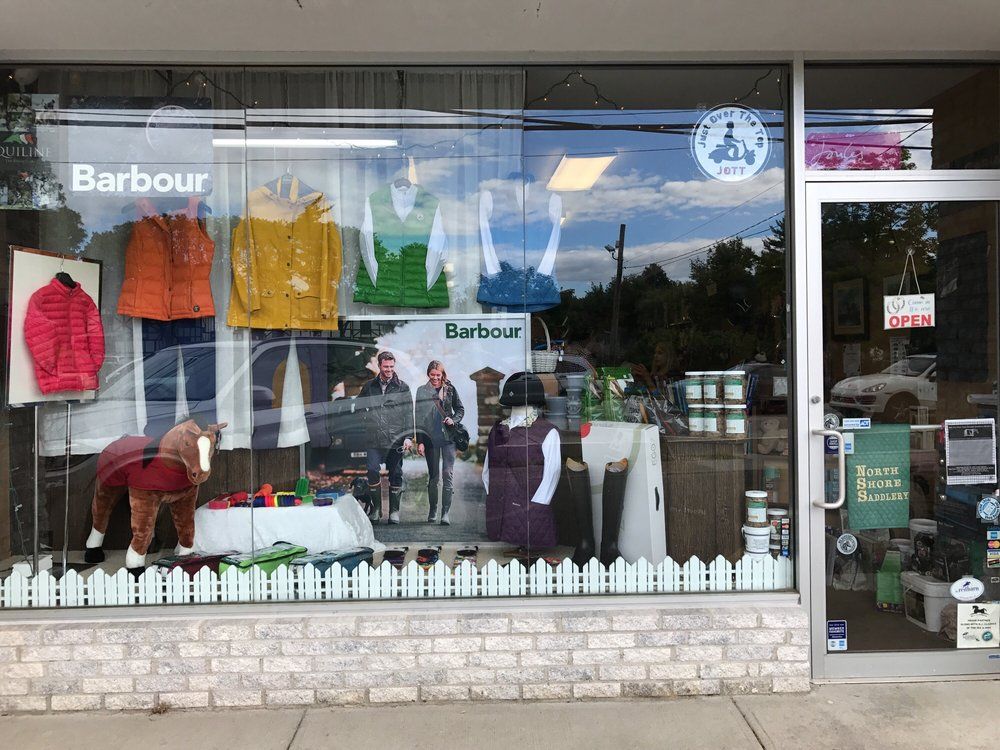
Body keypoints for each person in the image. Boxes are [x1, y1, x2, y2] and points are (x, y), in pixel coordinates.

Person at [356, 351, 414, 524]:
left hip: (396, 438)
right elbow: (359, 406)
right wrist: (366, 421)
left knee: (395, 473)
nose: (389, 369)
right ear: (379, 366)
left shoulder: (402, 387)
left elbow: (408, 414)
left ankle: (394, 512)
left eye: (391, 366)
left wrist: (408, 437)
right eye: (385, 366)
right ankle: (376, 509)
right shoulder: (369, 386)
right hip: (374, 438)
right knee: (372, 470)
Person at [415, 360, 465, 525]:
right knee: (434, 477)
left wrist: (453, 419)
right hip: (430, 439)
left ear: (442, 374)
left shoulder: (450, 389)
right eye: (432, 375)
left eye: (438, 375)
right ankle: (433, 510)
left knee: (447, 474)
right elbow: (419, 418)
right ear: (428, 374)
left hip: (449, 438)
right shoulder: (422, 391)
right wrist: (420, 441)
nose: (435, 378)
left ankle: (445, 513)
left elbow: (460, 409)